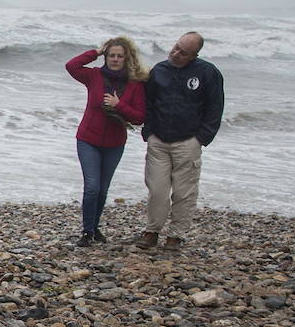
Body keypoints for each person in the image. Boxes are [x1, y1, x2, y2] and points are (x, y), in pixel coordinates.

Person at [134, 31, 224, 252]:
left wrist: (201, 138)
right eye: (175, 47)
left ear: (194, 55)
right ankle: (151, 231)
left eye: (183, 53)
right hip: (159, 140)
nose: (175, 54)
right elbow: (149, 102)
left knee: (184, 192)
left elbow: (215, 107)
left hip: (188, 141)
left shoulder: (207, 73)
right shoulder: (160, 70)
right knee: (157, 190)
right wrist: (149, 132)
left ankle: (176, 236)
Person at [66, 37, 147, 247]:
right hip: (88, 139)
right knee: (92, 186)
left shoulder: (134, 84)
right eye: (111, 55)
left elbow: (139, 117)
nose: (115, 59)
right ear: (106, 56)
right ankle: (87, 231)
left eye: (120, 56)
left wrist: (119, 105)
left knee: (102, 189)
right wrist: (96, 51)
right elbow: (71, 66)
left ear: (126, 58)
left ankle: (94, 227)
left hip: (115, 143)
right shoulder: (94, 76)